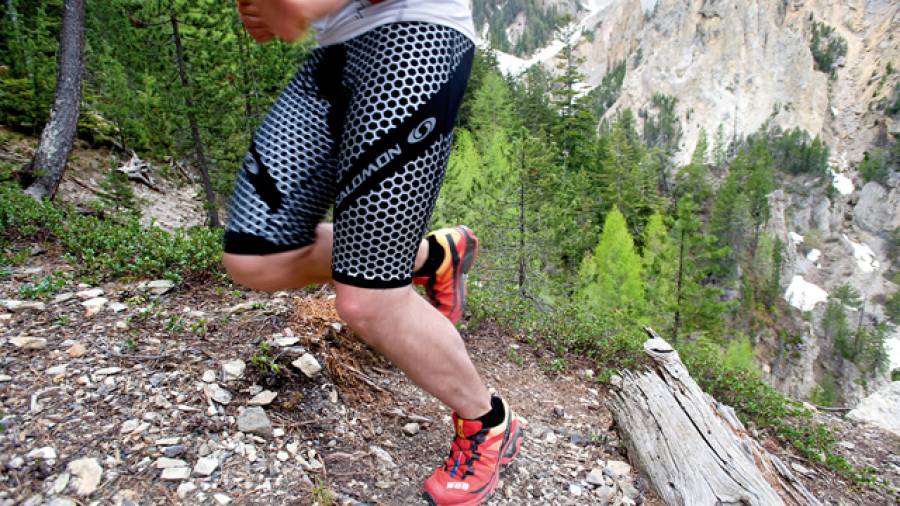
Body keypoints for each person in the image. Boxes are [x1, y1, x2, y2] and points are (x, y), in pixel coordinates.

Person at [224, 1, 524, 504]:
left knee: (369, 300)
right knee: (257, 256)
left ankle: (488, 422)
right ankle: (432, 257)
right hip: (337, 47)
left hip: (415, 41)